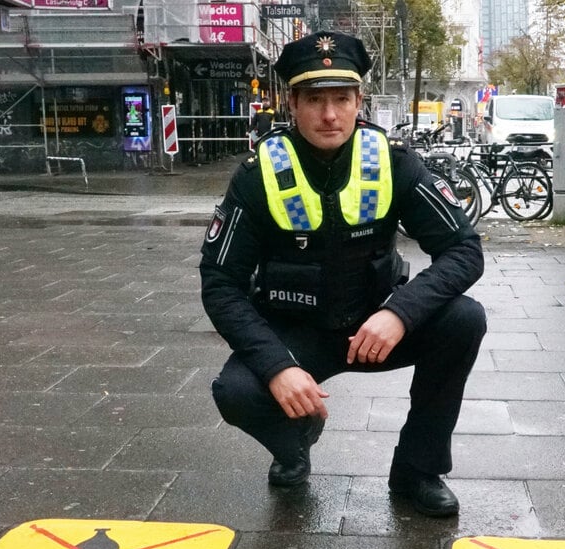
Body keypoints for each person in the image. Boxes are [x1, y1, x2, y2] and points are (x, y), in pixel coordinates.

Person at [199, 31, 487, 517]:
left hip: (374, 326)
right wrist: (277, 367)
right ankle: (295, 442)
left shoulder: (395, 164)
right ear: (292, 102)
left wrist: (400, 312)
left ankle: (417, 470)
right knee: (238, 391)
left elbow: (464, 249)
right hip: (294, 332)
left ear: (359, 101)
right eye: (314, 99)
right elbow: (221, 283)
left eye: (341, 99)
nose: (329, 115)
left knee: (463, 320)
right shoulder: (256, 175)